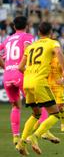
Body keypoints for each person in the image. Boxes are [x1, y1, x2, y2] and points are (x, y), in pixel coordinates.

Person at [16, 22, 64, 155]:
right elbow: (59, 53)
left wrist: (31, 74)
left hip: (27, 81)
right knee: (55, 114)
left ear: (38, 32)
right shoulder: (52, 43)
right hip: (39, 82)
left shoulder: (31, 46)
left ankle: (21, 143)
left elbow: (20, 67)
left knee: (36, 114)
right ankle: (35, 136)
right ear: (51, 33)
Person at [0, 16, 34, 145]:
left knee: (16, 106)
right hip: (21, 74)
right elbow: (26, 50)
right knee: (37, 104)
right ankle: (38, 134)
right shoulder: (27, 37)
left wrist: (6, 67)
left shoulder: (8, 39)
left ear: (14, 27)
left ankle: (15, 137)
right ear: (27, 26)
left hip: (8, 76)